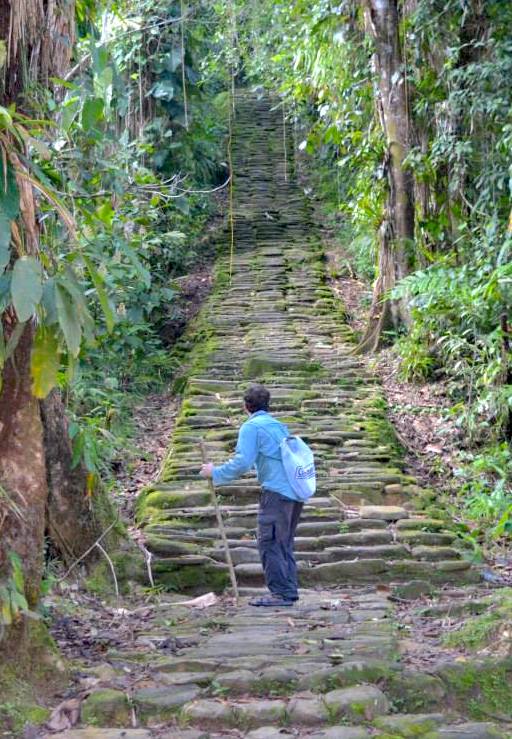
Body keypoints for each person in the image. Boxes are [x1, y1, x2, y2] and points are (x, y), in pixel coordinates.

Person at [200, 384, 303, 607]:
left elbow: (242, 462)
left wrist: (215, 472)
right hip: (294, 492)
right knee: (283, 542)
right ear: (268, 404)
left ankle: (281, 594)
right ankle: (288, 590)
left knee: (270, 542)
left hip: (277, 492)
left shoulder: (252, 427)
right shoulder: (278, 425)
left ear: (245, 406)